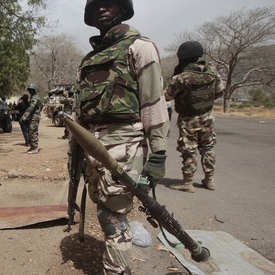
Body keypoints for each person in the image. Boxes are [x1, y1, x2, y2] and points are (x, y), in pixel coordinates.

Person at [72, 1, 170, 274]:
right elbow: (79, 113)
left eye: (109, 3)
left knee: (113, 214)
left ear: (122, 9)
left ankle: (117, 271)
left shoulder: (140, 47)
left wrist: (159, 152)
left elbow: (153, 102)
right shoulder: (88, 61)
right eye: (95, 6)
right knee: (104, 209)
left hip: (124, 142)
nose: (101, 9)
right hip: (92, 144)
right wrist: (76, 153)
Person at [165, 41, 225, 193]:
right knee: (207, 148)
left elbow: (167, 96)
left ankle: (187, 182)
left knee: (189, 150)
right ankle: (209, 180)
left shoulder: (181, 77)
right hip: (207, 117)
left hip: (188, 119)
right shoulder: (212, 72)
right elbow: (219, 92)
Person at [20, 84, 43, 154]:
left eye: (31, 90)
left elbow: (30, 108)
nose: (29, 91)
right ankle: (32, 147)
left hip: (34, 117)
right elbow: (41, 106)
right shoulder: (34, 97)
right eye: (29, 90)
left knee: (32, 131)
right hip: (34, 116)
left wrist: (24, 117)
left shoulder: (35, 98)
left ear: (34, 90)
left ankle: (35, 147)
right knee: (31, 131)